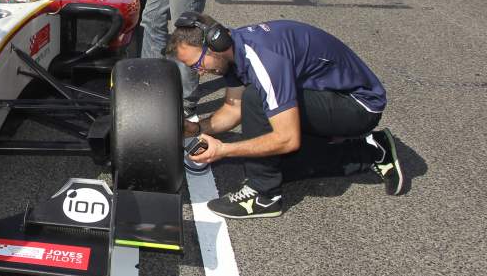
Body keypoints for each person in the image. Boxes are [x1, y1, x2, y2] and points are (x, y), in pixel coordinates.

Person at [169, 12, 404, 219]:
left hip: (358, 106)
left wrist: (223, 150)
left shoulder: (263, 58)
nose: (198, 71)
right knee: (281, 164)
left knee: (256, 101)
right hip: (327, 96)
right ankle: (373, 149)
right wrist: (196, 129)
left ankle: (264, 196)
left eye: (197, 63)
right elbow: (233, 109)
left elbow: (287, 138)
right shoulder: (234, 51)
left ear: (215, 44)